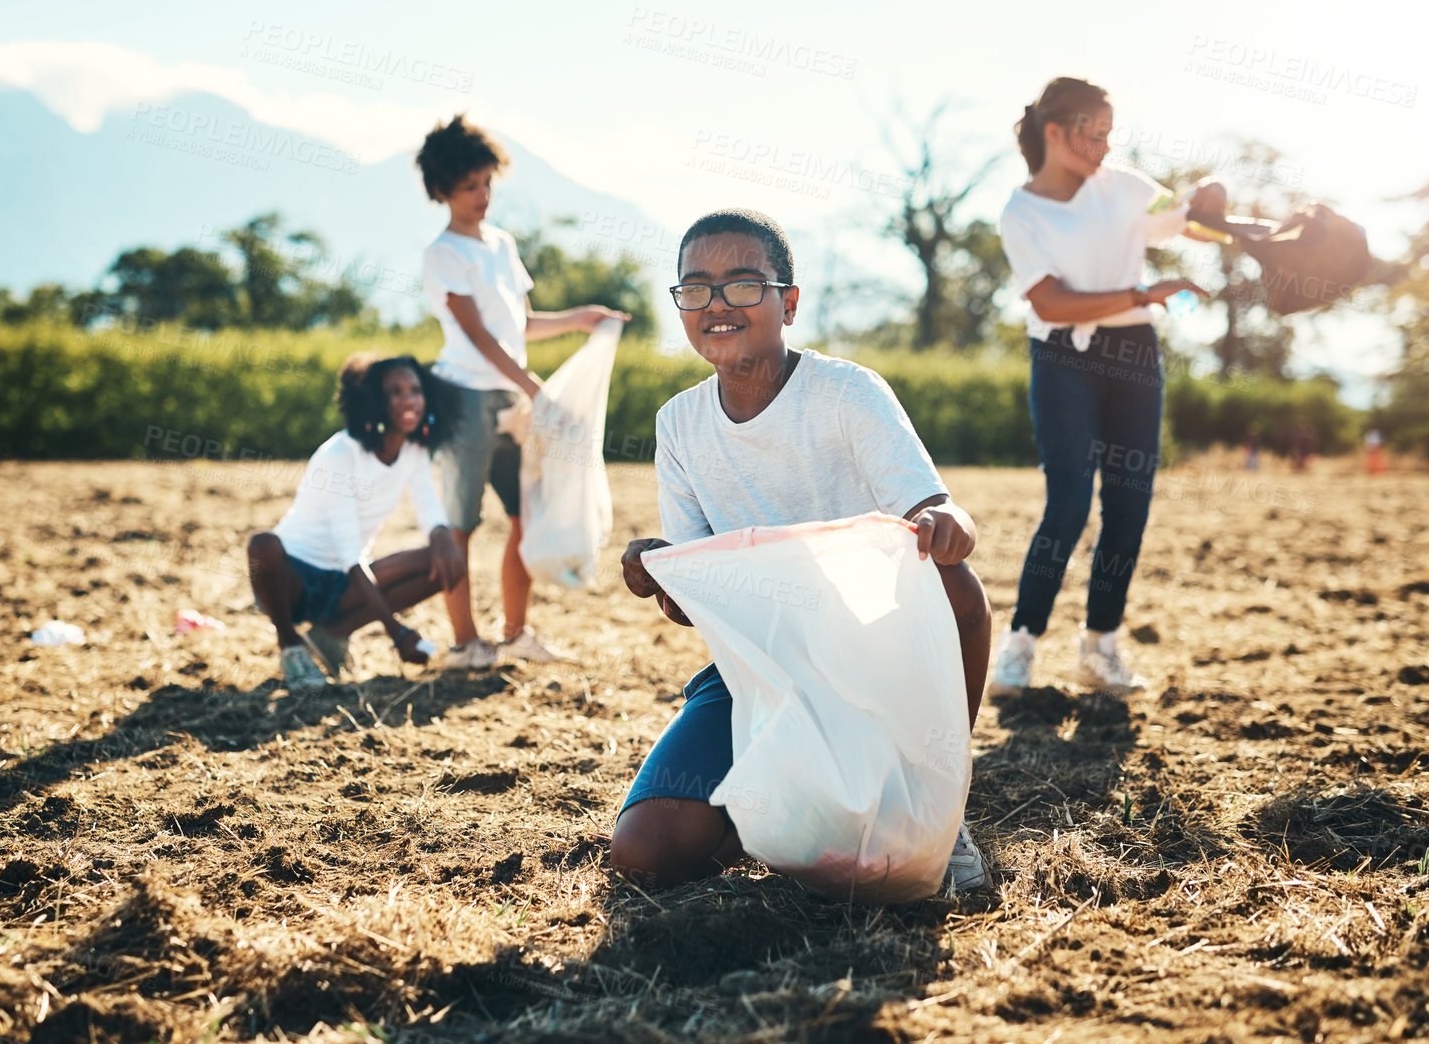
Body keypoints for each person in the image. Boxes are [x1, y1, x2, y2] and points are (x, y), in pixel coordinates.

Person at [612, 208, 995, 892]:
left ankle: (939, 805)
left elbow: (930, 510)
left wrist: (949, 520)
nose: (717, 304)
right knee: (647, 851)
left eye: (742, 284)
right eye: (695, 287)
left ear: (787, 302)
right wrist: (662, 573)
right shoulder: (678, 422)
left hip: (873, 666)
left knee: (954, 582)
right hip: (758, 671)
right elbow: (697, 606)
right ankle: (773, 811)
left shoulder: (847, 392)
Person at [989, 77, 1226, 701]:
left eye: (1107, 134)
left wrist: (1208, 207)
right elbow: (1052, 301)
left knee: (1129, 502)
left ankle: (1100, 648)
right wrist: (1144, 293)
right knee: (1068, 503)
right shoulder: (1022, 212)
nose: (1100, 146)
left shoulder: (1124, 187)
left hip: (1132, 354)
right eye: (1090, 134)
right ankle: (1020, 643)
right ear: (1054, 133)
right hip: (1063, 355)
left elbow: (1185, 225)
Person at [415, 115, 629, 669]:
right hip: (463, 400)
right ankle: (465, 643)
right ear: (441, 191)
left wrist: (581, 318)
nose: (482, 195)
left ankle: (514, 633)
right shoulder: (443, 254)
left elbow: (520, 324)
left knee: (523, 516)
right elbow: (480, 337)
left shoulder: (502, 245)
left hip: (511, 401)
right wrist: (533, 386)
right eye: (469, 187)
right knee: (459, 524)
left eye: (487, 183)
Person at [247, 355, 466, 690]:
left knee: (446, 563)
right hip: (291, 580)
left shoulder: (414, 450)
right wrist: (398, 633)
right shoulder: (339, 456)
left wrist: (443, 537)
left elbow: (429, 509)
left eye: (415, 390)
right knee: (262, 544)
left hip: (343, 584)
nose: (408, 398)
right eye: (395, 391)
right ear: (374, 400)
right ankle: (291, 646)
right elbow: (351, 555)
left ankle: (330, 636)